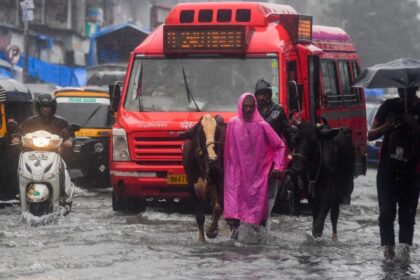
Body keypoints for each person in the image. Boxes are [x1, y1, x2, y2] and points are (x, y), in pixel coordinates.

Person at [224, 93, 287, 241]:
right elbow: (228, 150)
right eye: (245, 106)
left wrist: (278, 166)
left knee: (258, 216)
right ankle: (235, 241)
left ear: (255, 108)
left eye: (251, 107)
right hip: (237, 175)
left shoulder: (263, 125)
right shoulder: (232, 124)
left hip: (257, 176)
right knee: (233, 212)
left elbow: (279, 145)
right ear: (240, 106)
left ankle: (259, 241)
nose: (247, 109)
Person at [368, 87, 420, 260]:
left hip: (412, 172)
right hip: (387, 171)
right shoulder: (388, 106)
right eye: (402, 89)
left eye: (409, 90)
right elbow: (370, 135)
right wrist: (387, 126)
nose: (404, 93)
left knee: (407, 215)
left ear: (416, 89)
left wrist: (413, 123)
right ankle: (388, 253)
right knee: (386, 212)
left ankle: (404, 255)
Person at [12, 93, 75, 205]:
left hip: (54, 153)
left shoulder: (60, 122)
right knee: (18, 166)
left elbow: (68, 134)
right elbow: (19, 131)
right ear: (38, 108)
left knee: (63, 167)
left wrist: (68, 141)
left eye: (48, 107)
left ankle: (63, 192)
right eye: (43, 107)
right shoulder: (30, 121)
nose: (45, 109)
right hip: (31, 153)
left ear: (53, 108)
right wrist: (16, 137)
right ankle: (18, 190)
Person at [254, 78, 293, 146]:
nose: (261, 97)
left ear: (269, 94)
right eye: (259, 94)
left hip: (274, 149)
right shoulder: (253, 110)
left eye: (264, 94)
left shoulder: (278, 109)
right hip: (258, 149)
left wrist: (292, 148)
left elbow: (287, 132)